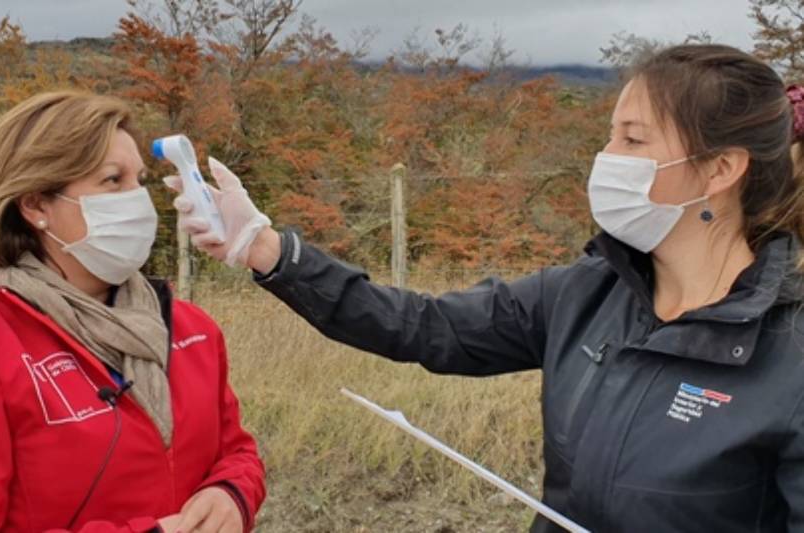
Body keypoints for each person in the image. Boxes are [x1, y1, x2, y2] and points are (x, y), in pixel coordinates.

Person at [169, 44, 804, 532]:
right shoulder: (586, 294)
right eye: (610, 133)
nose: (606, 156)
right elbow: (422, 325)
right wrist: (269, 250)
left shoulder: (791, 356)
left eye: (633, 140)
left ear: (721, 170)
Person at [0, 91, 265, 533]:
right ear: (37, 205)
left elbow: (237, 452)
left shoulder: (191, 329)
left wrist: (233, 493)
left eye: (139, 180)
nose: (138, 200)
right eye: (112, 181)